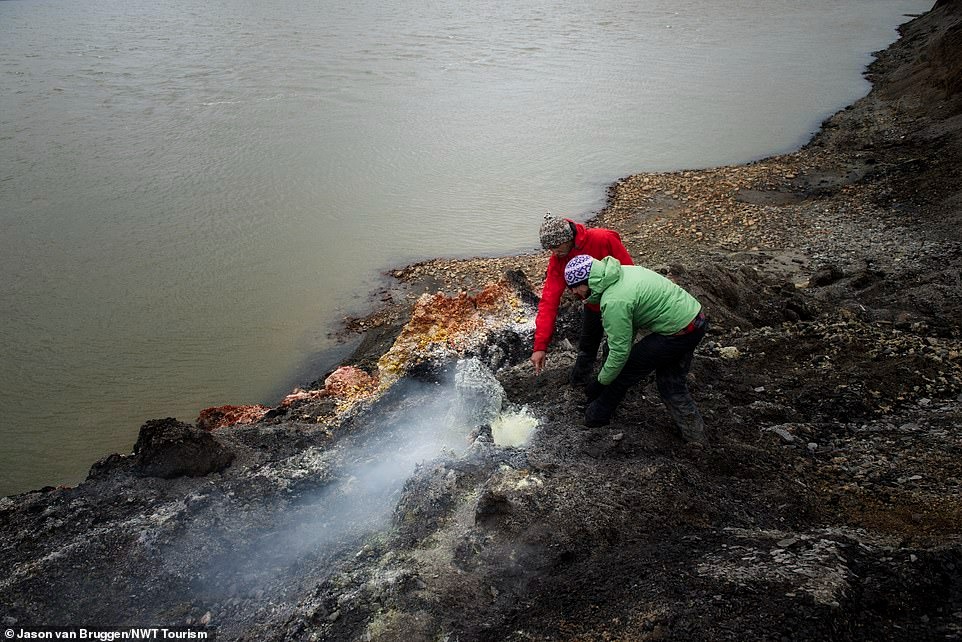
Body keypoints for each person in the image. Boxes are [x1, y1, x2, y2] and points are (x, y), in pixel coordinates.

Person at [563, 254, 708, 443]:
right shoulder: (621, 272)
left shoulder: (614, 300)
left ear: (587, 281)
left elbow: (620, 353)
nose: (575, 293)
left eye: (575, 288)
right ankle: (697, 439)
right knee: (671, 385)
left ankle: (595, 418)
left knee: (622, 373)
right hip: (695, 320)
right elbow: (627, 332)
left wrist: (600, 383)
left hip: (676, 332)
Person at [531, 214, 634, 384]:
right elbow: (548, 302)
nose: (554, 251)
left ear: (568, 237)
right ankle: (578, 385)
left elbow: (629, 272)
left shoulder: (602, 238)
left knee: (616, 347)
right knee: (586, 348)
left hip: (620, 304)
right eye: (549, 248)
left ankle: (612, 383)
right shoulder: (558, 260)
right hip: (592, 306)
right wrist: (540, 346)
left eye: (556, 245)